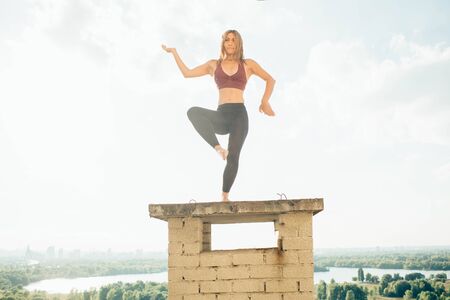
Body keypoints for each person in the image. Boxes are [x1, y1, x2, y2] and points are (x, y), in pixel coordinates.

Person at [162, 29, 275, 202]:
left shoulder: (248, 64)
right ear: (223, 43)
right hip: (222, 114)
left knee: (234, 156)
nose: (230, 43)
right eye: (227, 40)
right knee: (193, 112)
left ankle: (224, 195)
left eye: (233, 40)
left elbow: (270, 79)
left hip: (239, 115)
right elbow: (187, 73)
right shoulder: (213, 65)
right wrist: (174, 52)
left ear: (238, 44)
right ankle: (218, 148)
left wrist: (264, 101)